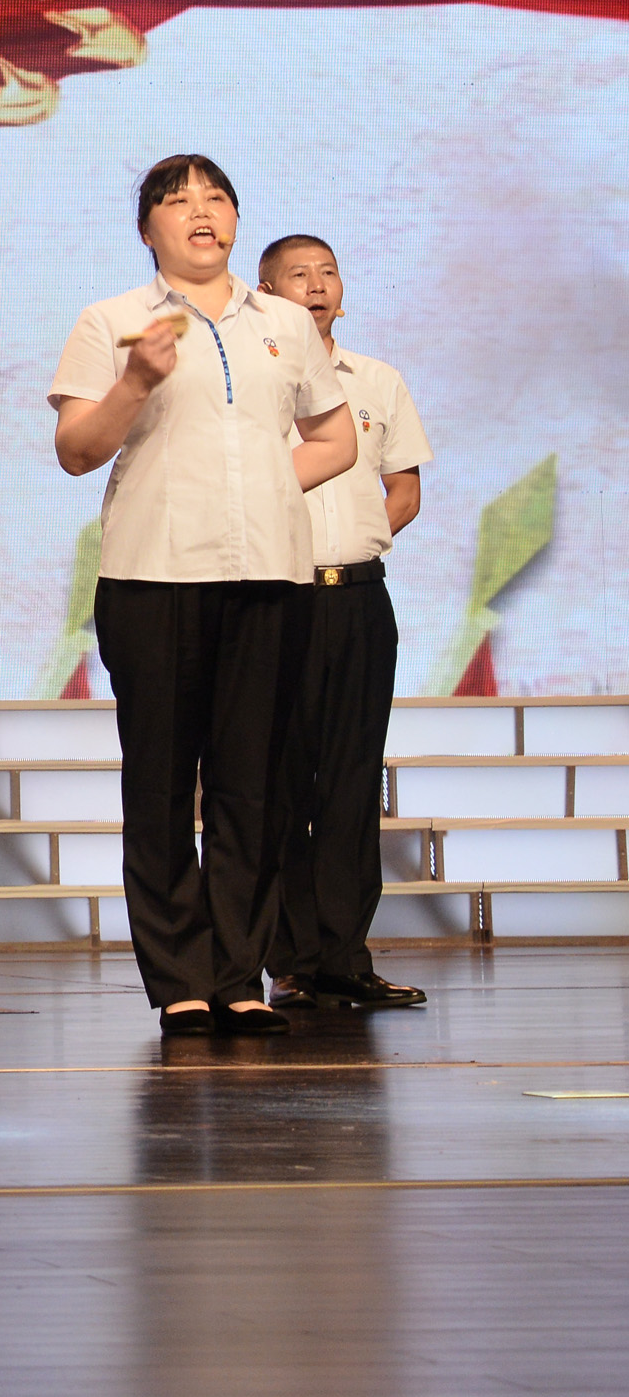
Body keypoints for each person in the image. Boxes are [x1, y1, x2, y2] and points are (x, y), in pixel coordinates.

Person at [50, 155, 355, 1036]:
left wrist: (262, 490)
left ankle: (236, 973)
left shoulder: (284, 323)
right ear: (146, 228)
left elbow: (333, 438)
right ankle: (179, 977)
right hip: (153, 575)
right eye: (178, 199)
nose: (200, 211)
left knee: (250, 785)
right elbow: (75, 450)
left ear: (234, 219)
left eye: (215, 197)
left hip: (266, 575)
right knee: (159, 782)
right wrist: (134, 381)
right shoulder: (111, 320)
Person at [258, 234, 433, 1012]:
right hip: (277, 597)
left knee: (353, 779)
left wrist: (351, 542)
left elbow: (404, 489)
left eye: (327, 271)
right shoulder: (254, 386)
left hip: (359, 599)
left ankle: (344, 957)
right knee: (279, 779)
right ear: (265, 293)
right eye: (298, 274)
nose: (316, 284)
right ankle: (289, 958)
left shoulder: (378, 380)